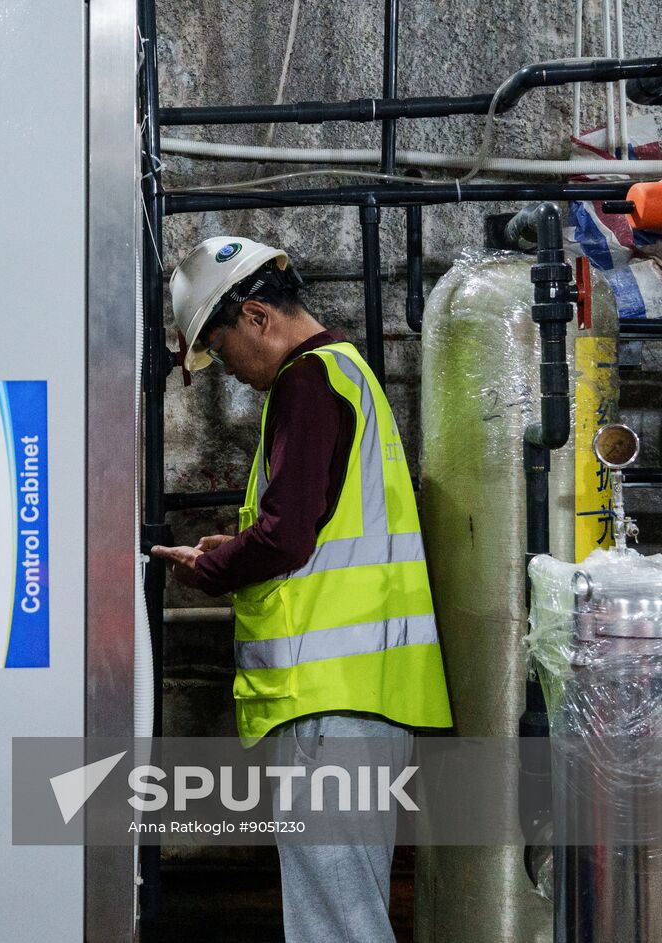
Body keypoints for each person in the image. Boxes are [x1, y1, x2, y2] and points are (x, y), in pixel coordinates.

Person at [149, 236, 452, 943]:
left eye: (220, 348)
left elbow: (287, 538)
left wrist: (207, 569)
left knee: (337, 920)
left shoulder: (307, 382)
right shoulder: (346, 372)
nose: (229, 370)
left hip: (330, 700)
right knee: (346, 907)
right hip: (360, 694)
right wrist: (237, 545)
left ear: (256, 317)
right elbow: (313, 527)